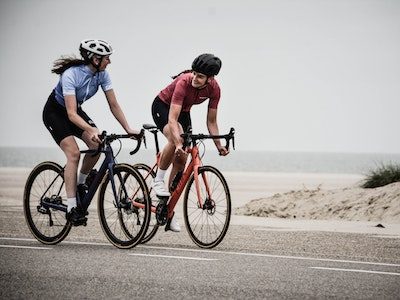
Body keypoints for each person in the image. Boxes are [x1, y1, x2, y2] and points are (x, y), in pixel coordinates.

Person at [43, 39, 140, 225]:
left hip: (74, 111)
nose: (109, 62)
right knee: (74, 154)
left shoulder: (103, 75)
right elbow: (71, 114)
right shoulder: (71, 75)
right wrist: (90, 128)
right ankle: (72, 207)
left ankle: (80, 183)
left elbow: (113, 104)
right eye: (106, 58)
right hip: (56, 113)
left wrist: (127, 129)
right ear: (95, 59)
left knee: (97, 144)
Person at [151, 53, 229, 232]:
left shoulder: (215, 89)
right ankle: (158, 179)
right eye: (194, 73)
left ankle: (167, 209)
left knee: (182, 159)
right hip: (163, 107)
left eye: (200, 76)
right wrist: (177, 141)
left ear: (210, 79)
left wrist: (219, 146)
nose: (195, 78)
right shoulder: (184, 82)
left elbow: (211, 122)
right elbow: (172, 119)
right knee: (175, 136)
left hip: (183, 112)